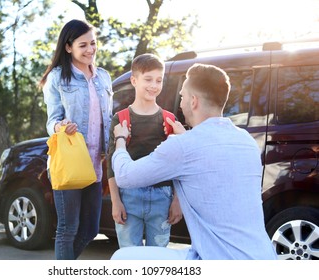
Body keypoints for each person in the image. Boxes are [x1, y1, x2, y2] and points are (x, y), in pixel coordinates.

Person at [110, 63, 278, 260]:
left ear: (193, 101)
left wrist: (120, 139)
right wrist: (184, 139)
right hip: (264, 258)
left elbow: (124, 176)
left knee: (122, 259)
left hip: (218, 261)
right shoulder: (247, 141)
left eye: (182, 97)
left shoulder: (184, 146)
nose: (180, 104)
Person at [40, 19, 113, 260]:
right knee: (67, 229)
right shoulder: (58, 77)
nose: (90, 49)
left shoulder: (103, 77)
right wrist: (60, 126)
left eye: (93, 43)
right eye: (83, 45)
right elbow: (52, 121)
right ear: (69, 47)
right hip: (70, 162)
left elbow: (107, 118)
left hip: (94, 164)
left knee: (91, 229)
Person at [106, 53, 182, 248]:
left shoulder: (169, 119)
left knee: (158, 258)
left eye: (159, 80)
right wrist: (116, 201)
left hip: (162, 198)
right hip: (128, 197)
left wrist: (177, 201)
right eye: (148, 79)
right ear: (134, 80)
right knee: (130, 257)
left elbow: (179, 165)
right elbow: (112, 164)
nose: (154, 85)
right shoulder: (120, 119)